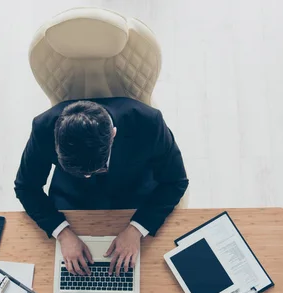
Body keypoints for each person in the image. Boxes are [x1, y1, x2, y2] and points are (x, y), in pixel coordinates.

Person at [14, 98, 188, 276]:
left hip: (135, 201)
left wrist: (137, 229)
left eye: (99, 168)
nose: (87, 177)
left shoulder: (148, 122)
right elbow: (26, 187)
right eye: (80, 172)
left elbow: (176, 181)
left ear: (113, 134)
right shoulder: (43, 127)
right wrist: (62, 233)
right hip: (72, 205)